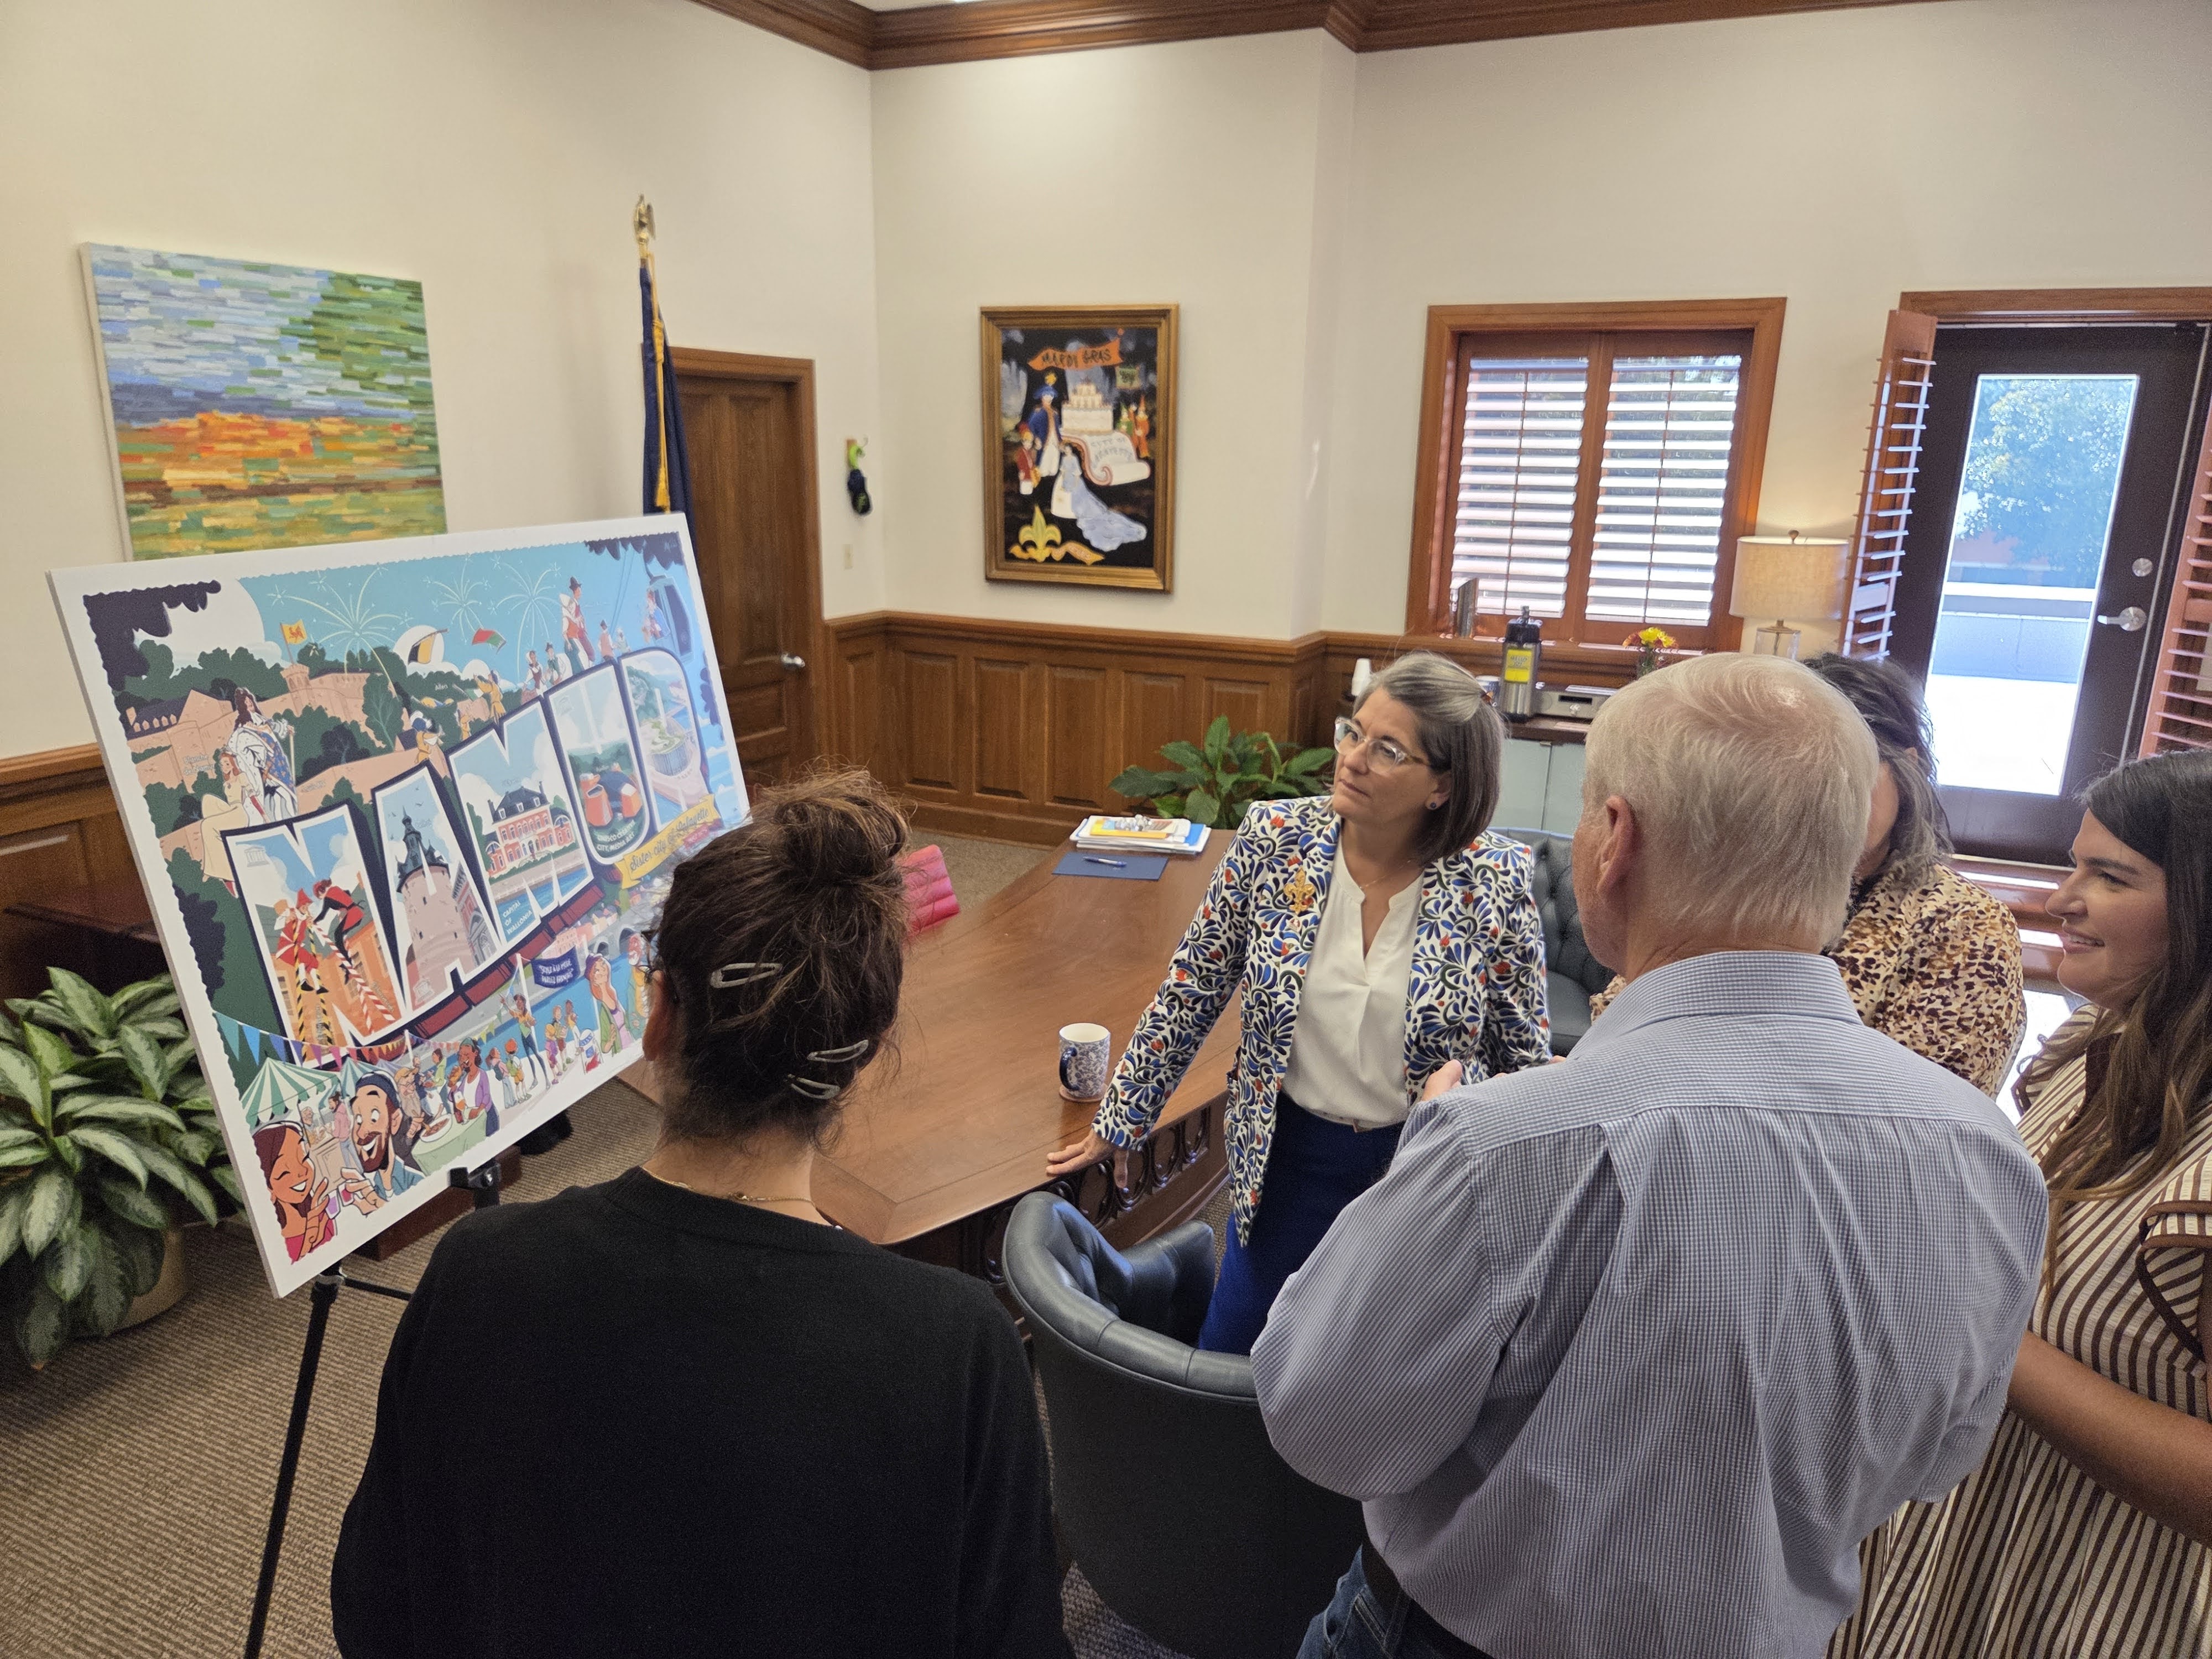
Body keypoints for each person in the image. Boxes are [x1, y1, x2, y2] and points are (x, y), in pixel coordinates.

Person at [1253, 653, 2049, 1659]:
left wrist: (1426, 1182)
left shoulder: (1499, 1147)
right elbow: (1939, 1458)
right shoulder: (1989, 1159)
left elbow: (1325, 1427)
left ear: (1614, 842)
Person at [332, 770, 1068, 1658]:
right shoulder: (958, 1347)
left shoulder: (479, 1269)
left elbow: (380, 1611)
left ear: (658, 1016)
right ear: (865, 1058)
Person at [1048, 651, 1550, 1354]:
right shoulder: (1274, 840)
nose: (1352, 759)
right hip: (1287, 1159)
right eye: (1354, 733)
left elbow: (1523, 1062)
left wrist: (1462, 1095)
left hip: (1417, 1175)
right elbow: (1194, 984)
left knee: (1365, 1370)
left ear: (1442, 785)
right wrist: (1125, 1115)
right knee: (1233, 1358)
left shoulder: (1495, 879)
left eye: (1388, 750)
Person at [1837, 748, 2212, 1658]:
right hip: (1965, 1558)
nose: (2061, 899)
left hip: (2101, 1597)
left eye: (2111, 877)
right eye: (2074, 866)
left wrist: (1979, 1329)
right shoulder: (2090, 1052)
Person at [1589, 652, 2026, 1093]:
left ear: (1908, 768)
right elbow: (1625, 1010)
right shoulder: (1740, 879)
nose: (1826, 796)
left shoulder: (1967, 925)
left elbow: (1927, 1103)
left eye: (1854, 774)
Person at [225, 687, 296, 825]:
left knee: (285, 794)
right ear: (242, 707)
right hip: (267, 767)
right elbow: (237, 746)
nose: (249, 703)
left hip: (280, 762)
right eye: (246, 702)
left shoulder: (262, 720)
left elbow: (275, 726)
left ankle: (289, 819)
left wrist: (286, 728)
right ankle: (281, 822)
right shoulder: (245, 728)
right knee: (280, 794)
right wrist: (261, 763)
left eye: (250, 701)